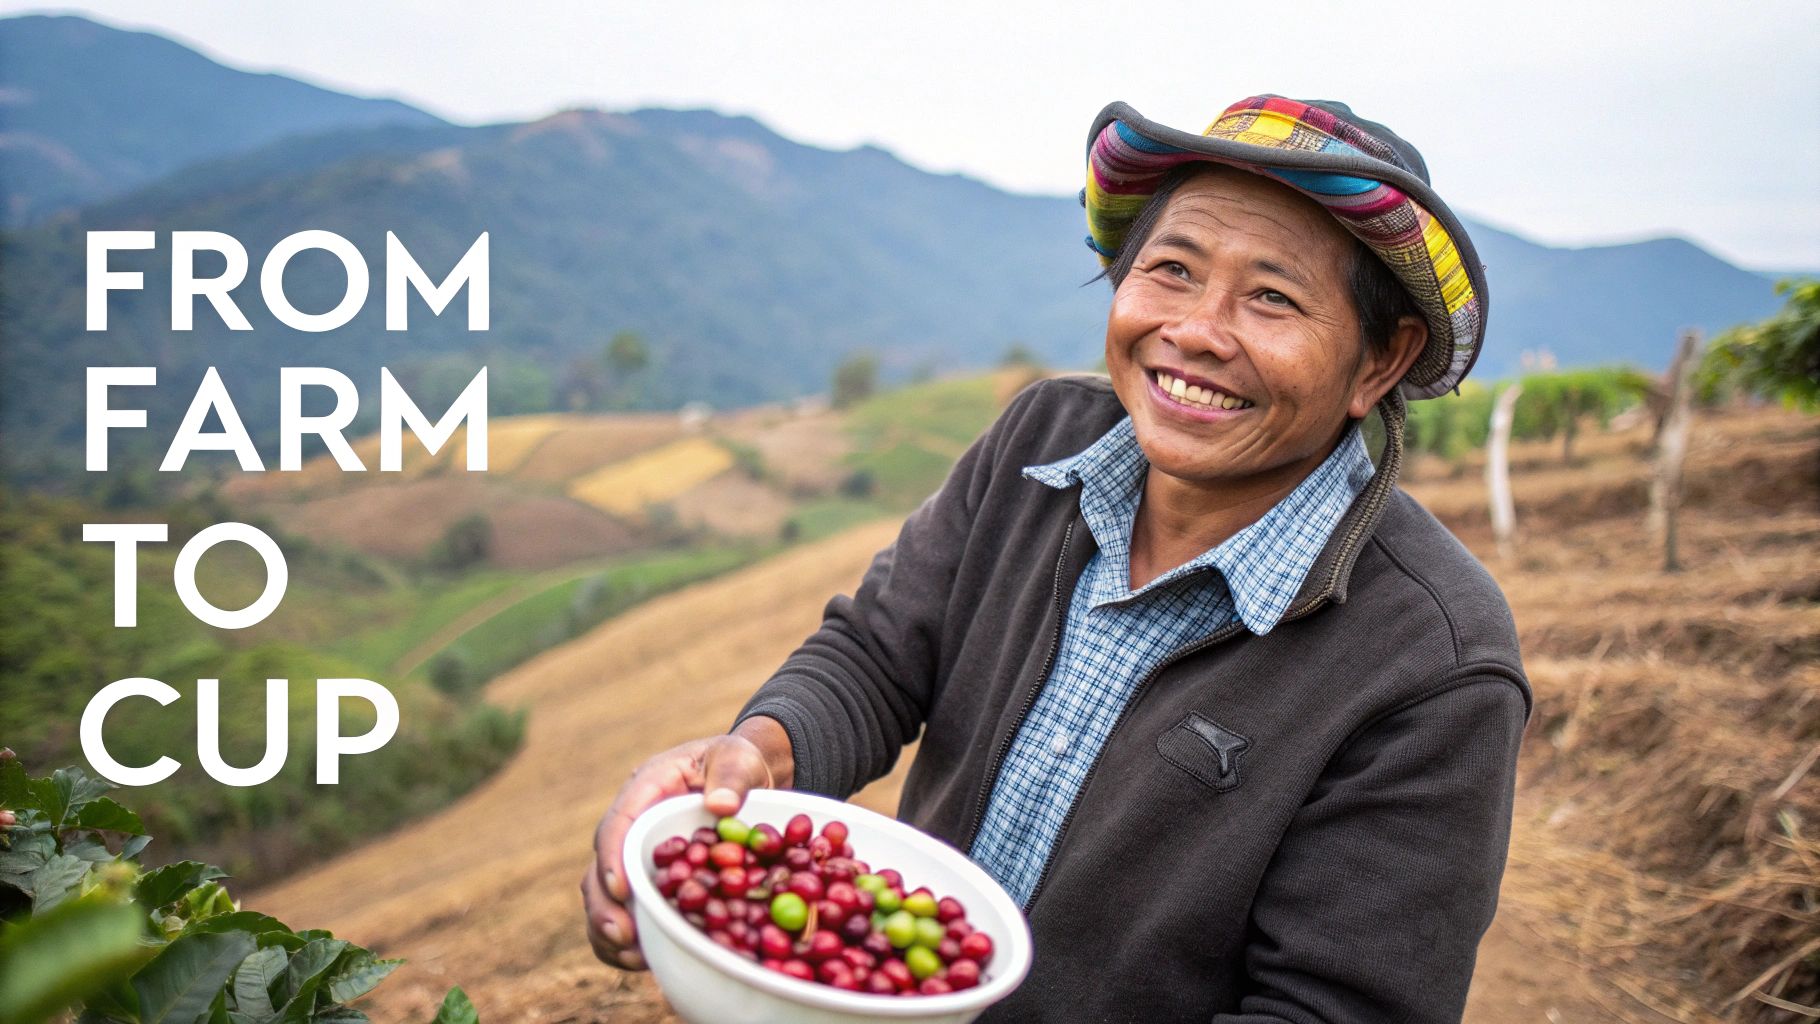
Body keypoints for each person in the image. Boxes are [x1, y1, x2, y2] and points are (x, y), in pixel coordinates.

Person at [582, 94, 1530, 1022]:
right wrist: (749, 759)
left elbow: (1332, 1007)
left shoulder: (1435, 664)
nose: (1196, 332)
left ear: (1380, 363)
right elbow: (877, 658)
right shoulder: (1037, 441)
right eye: (1172, 269)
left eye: (1274, 298)